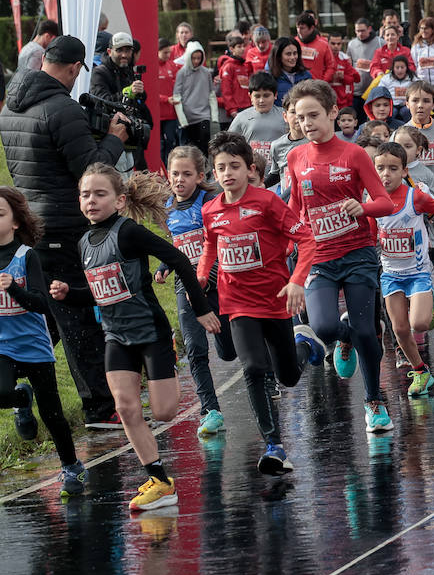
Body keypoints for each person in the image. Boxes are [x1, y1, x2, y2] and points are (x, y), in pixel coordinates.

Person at [52, 165, 219, 511]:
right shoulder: (83, 242)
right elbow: (102, 293)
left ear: (120, 200)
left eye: (100, 194)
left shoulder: (128, 232)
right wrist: (71, 292)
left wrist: (201, 308)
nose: (91, 201)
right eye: (85, 194)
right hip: (116, 337)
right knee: (126, 409)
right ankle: (159, 480)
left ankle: (170, 355)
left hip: (150, 333)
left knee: (164, 412)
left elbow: (179, 260)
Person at [0, 36, 125, 427]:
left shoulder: (9, 107)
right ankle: (99, 408)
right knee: (75, 317)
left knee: (49, 318)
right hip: (62, 225)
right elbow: (91, 174)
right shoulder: (61, 108)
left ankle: (17, 387)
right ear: (74, 68)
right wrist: (114, 141)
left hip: (31, 223)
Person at [281, 81, 398, 433]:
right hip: (319, 257)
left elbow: (384, 202)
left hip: (358, 253)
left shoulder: (354, 155)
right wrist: (285, 241)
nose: (307, 123)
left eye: (314, 115)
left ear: (333, 112)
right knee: (324, 327)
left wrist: (361, 207)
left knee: (367, 332)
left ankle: (374, 402)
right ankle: (343, 339)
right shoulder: (296, 157)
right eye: (300, 118)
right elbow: (295, 207)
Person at [201, 132, 317, 475]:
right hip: (237, 303)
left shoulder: (266, 202)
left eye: (234, 166)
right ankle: (273, 445)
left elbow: (306, 239)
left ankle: (305, 343)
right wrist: (198, 284)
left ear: (250, 169)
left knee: (290, 377)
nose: (227, 173)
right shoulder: (211, 211)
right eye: (220, 168)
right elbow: (209, 250)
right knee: (252, 368)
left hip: (275, 299)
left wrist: (296, 280)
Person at [0, 186, 86, 497]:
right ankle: (21, 400)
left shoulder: (26, 256)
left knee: (53, 415)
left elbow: (40, 303)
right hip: (2, 344)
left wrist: (14, 290)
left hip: (34, 345)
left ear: (16, 222)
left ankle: (71, 466)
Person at [156, 146, 235, 438]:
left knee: (228, 351)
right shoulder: (167, 207)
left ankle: (263, 373)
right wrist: (164, 266)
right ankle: (210, 410)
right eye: (175, 173)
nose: (180, 179)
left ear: (200, 176)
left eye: (187, 174)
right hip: (185, 286)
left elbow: (223, 239)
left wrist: (206, 276)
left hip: (218, 282)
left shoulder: (209, 202)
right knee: (195, 348)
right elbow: (176, 246)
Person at [373, 141, 434, 397]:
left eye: (393, 169)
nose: (386, 174)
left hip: (417, 273)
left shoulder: (414, 197)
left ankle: (429, 305)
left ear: (405, 171)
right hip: (391, 274)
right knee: (399, 329)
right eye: (381, 168)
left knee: (418, 324)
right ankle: (421, 371)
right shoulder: (372, 200)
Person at [171, 41, 215, 153]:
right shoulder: (182, 73)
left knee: (205, 146)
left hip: (204, 115)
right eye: (194, 58)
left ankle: (205, 169)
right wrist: (182, 120)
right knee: (191, 149)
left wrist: (214, 117)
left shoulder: (206, 73)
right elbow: (177, 96)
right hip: (188, 117)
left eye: (199, 58)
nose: (196, 61)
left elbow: (211, 95)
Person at [347, 18, 382, 110]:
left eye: (363, 30)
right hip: (356, 90)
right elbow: (348, 65)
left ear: (369, 29)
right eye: (357, 31)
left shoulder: (380, 42)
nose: (360, 34)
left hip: (373, 89)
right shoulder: (351, 44)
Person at [294, 11, 337, 83]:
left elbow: (331, 66)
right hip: (297, 86)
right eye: (297, 28)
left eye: (302, 28)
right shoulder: (293, 43)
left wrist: (322, 82)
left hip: (317, 87)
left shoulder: (324, 44)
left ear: (312, 28)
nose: (299, 31)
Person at [217, 34, 253, 120]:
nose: (242, 49)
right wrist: (232, 109)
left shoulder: (244, 66)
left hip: (247, 107)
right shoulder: (228, 66)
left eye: (243, 46)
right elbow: (226, 90)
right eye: (239, 46)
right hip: (236, 109)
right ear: (231, 49)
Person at [270, 37, 312, 106]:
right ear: (278, 56)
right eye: (288, 54)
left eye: (295, 53)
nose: (292, 57)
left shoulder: (306, 76)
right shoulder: (270, 78)